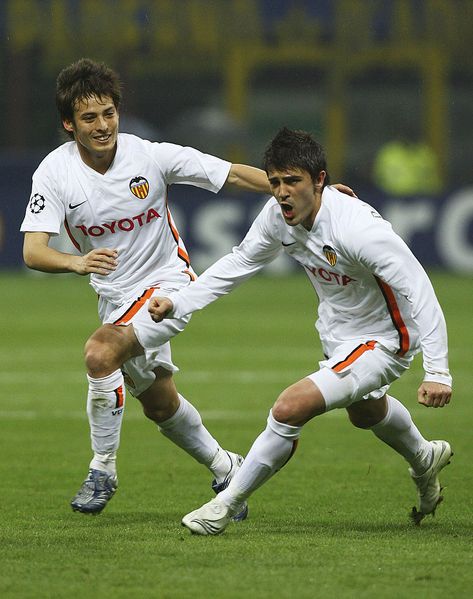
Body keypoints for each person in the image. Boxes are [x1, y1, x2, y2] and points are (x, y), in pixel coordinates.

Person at [20, 58, 356, 516]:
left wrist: (320, 195)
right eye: (89, 118)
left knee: (100, 354)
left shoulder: (150, 156)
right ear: (68, 123)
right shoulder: (54, 173)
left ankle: (103, 469)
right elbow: (33, 251)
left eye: (109, 114)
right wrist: (77, 261)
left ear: (118, 111)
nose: (102, 126)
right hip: (115, 298)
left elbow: (233, 173)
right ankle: (228, 468)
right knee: (160, 405)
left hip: (168, 288)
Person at [148, 127, 453, 535]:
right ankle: (423, 457)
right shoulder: (278, 216)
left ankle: (224, 505)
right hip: (338, 334)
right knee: (366, 412)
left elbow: (419, 290)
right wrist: (179, 301)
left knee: (290, 407)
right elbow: (241, 262)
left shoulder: (358, 229)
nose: (282, 192)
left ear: (320, 180)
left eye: (293, 181)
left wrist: (437, 372)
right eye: (275, 182)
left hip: (385, 338)